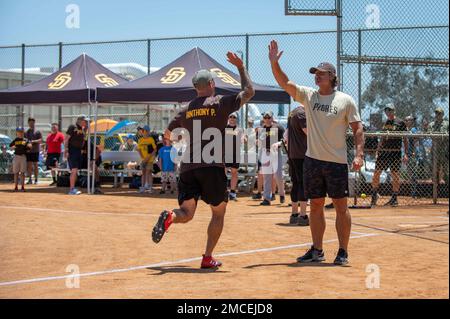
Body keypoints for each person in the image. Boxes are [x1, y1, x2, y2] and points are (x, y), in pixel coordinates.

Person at [151, 51, 255, 269]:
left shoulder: (186, 109)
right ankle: (207, 257)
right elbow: (249, 91)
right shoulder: (219, 102)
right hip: (212, 166)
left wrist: (183, 138)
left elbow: (167, 135)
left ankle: (170, 216)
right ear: (211, 83)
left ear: (195, 88)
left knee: (186, 213)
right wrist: (241, 67)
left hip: (188, 167)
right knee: (218, 212)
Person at [269, 40, 364, 266]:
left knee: (341, 206)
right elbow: (285, 83)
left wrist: (359, 155)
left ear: (332, 76)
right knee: (316, 205)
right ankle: (317, 250)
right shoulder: (309, 96)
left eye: (321, 73)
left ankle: (342, 251)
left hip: (336, 162)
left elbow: (358, 128)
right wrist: (274, 63)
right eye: (315, 73)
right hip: (312, 161)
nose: (316, 76)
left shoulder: (345, 100)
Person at [371, 104, 408, 207]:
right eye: (386, 110)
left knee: (395, 174)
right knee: (376, 172)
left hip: (395, 152)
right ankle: (374, 195)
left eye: (390, 110)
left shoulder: (400, 122)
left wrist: (405, 153)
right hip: (384, 152)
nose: (388, 112)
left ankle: (394, 198)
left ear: (394, 111)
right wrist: (378, 150)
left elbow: (405, 139)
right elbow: (382, 138)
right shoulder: (385, 122)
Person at [283, 104, 309, 226]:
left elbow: (286, 135)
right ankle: (303, 216)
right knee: (303, 183)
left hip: (293, 154)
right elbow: (308, 132)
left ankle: (294, 214)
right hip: (302, 154)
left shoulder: (292, 113)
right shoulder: (301, 113)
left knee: (296, 183)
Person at [256, 111, 286, 206]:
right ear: (263, 119)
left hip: (276, 153)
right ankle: (266, 198)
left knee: (278, 176)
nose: (267, 119)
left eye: (269, 117)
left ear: (272, 118)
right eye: (265, 118)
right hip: (265, 152)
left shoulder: (278, 127)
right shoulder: (261, 129)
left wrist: (278, 144)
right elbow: (259, 141)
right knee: (267, 176)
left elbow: (284, 140)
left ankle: (281, 193)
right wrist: (257, 142)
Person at [65, 115, 87, 195]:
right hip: (72, 150)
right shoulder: (72, 127)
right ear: (80, 121)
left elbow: (83, 140)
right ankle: (71, 189)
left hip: (78, 151)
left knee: (75, 170)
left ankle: (73, 187)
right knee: (74, 170)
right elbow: (66, 138)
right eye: (85, 121)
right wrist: (66, 150)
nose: (86, 122)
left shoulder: (82, 129)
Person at [428, 107, 449, 188]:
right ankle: (435, 189)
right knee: (434, 169)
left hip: (445, 150)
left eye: (439, 113)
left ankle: (447, 188)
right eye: (436, 113)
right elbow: (430, 135)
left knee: (446, 170)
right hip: (435, 150)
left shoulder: (447, 124)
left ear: (443, 114)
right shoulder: (431, 124)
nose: (437, 115)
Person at [225, 112, 244, 201]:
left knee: (234, 172)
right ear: (228, 118)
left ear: (236, 119)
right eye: (230, 117)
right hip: (225, 153)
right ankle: (223, 191)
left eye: (234, 117)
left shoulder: (239, 129)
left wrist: (244, 138)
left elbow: (242, 138)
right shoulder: (224, 128)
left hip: (235, 153)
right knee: (223, 172)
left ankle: (232, 192)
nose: (232, 118)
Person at [137, 125, 156, 194]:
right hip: (143, 159)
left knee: (148, 172)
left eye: (144, 131)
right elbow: (139, 150)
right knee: (143, 173)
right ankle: (143, 187)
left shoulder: (150, 139)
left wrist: (148, 158)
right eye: (143, 131)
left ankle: (149, 187)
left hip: (150, 160)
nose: (143, 132)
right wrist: (143, 158)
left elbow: (154, 150)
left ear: (148, 132)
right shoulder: (140, 140)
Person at [10, 127, 30, 192]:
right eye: (19, 132)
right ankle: (16, 187)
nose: (20, 133)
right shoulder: (15, 140)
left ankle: (22, 187)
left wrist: (29, 146)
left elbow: (29, 146)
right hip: (16, 156)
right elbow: (10, 146)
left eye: (21, 132)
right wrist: (12, 147)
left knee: (22, 172)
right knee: (16, 173)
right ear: (17, 133)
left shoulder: (25, 140)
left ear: (23, 132)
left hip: (23, 156)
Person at [405, 116, 420, 198]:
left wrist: (414, 152)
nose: (406, 121)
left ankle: (414, 192)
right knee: (410, 173)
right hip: (407, 154)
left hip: (412, 154)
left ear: (412, 122)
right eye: (406, 120)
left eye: (408, 120)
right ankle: (412, 191)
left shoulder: (413, 130)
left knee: (413, 174)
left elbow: (416, 141)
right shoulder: (406, 130)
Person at [24, 117, 42, 185]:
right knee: (29, 165)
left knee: (35, 165)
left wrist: (33, 141)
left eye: (32, 122)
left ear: (34, 123)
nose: (31, 124)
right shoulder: (26, 132)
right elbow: (25, 140)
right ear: (28, 123)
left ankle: (36, 179)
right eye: (30, 122)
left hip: (35, 151)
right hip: (29, 151)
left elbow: (40, 140)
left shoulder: (37, 131)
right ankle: (30, 179)